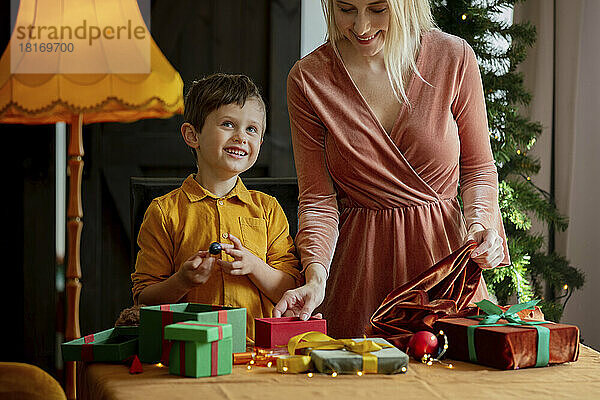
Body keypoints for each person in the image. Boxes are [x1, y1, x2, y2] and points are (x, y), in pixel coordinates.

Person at [273, 0, 510, 338]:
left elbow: (479, 169)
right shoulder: (309, 78)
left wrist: (481, 224)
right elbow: (317, 200)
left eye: (378, 9)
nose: (361, 27)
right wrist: (315, 277)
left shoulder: (453, 57)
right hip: (358, 279)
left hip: (444, 274)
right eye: (346, 10)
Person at [131, 73, 302, 341]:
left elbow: (291, 288)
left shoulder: (268, 210)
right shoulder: (164, 212)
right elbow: (144, 298)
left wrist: (255, 266)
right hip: (187, 353)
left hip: (258, 354)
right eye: (228, 124)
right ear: (192, 135)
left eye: (252, 129)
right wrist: (182, 281)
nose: (241, 137)